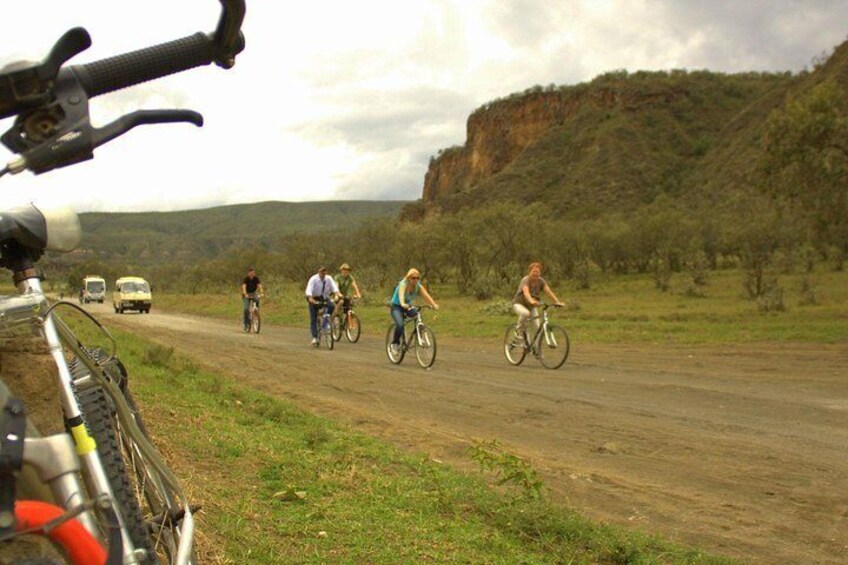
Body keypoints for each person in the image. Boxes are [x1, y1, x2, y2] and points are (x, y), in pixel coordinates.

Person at [389, 268, 439, 354]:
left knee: (417, 314)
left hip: (407, 306)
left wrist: (433, 304)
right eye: (413, 278)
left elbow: (426, 295)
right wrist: (402, 303)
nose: (415, 280)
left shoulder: (418, 286)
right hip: (396, 306)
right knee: (400, 325)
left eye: (417, 278)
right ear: (408, 278)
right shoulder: (403, 284)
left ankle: (419, 335)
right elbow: (401, 295)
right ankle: (395, 344)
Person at [512, 262, 564, 338]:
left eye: (538, 272)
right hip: (519, 304)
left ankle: (536, 348)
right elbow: (526, 292)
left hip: (531, 306)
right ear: (530, 272)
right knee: (525, 313)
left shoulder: (541, 281)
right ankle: (518, 332)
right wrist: (531, 300)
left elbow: (548, 292)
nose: (536, 274)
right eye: (534, 271)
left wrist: (557, 302)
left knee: (537, 327)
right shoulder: (525, 280)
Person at [305, 266, 340, 345]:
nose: (323, 274)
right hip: (314, 298)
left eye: (324, 272)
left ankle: (326, 322)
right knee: (313, 317)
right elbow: (309, 290)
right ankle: (314, 337)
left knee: (331, 306)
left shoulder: (329, 278)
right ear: (318, 272)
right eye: (321, 272)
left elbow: (334, 288)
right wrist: (311, 299)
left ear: (326, 273)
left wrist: (336, 295)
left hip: (324, 298)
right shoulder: (313, 279)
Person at [240, 267, 264, 332]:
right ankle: (246, 323)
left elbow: (259, 286)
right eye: (250, 273)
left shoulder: (256, 279)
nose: (252, 274)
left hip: (253, 294)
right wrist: (245, 294)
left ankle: (256, 313)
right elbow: (244, 287)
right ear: (248, 273)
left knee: (257, 299)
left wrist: (262, 292)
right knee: (246, 309)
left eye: (253, 273)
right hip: (246, 295)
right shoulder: (246, 279)